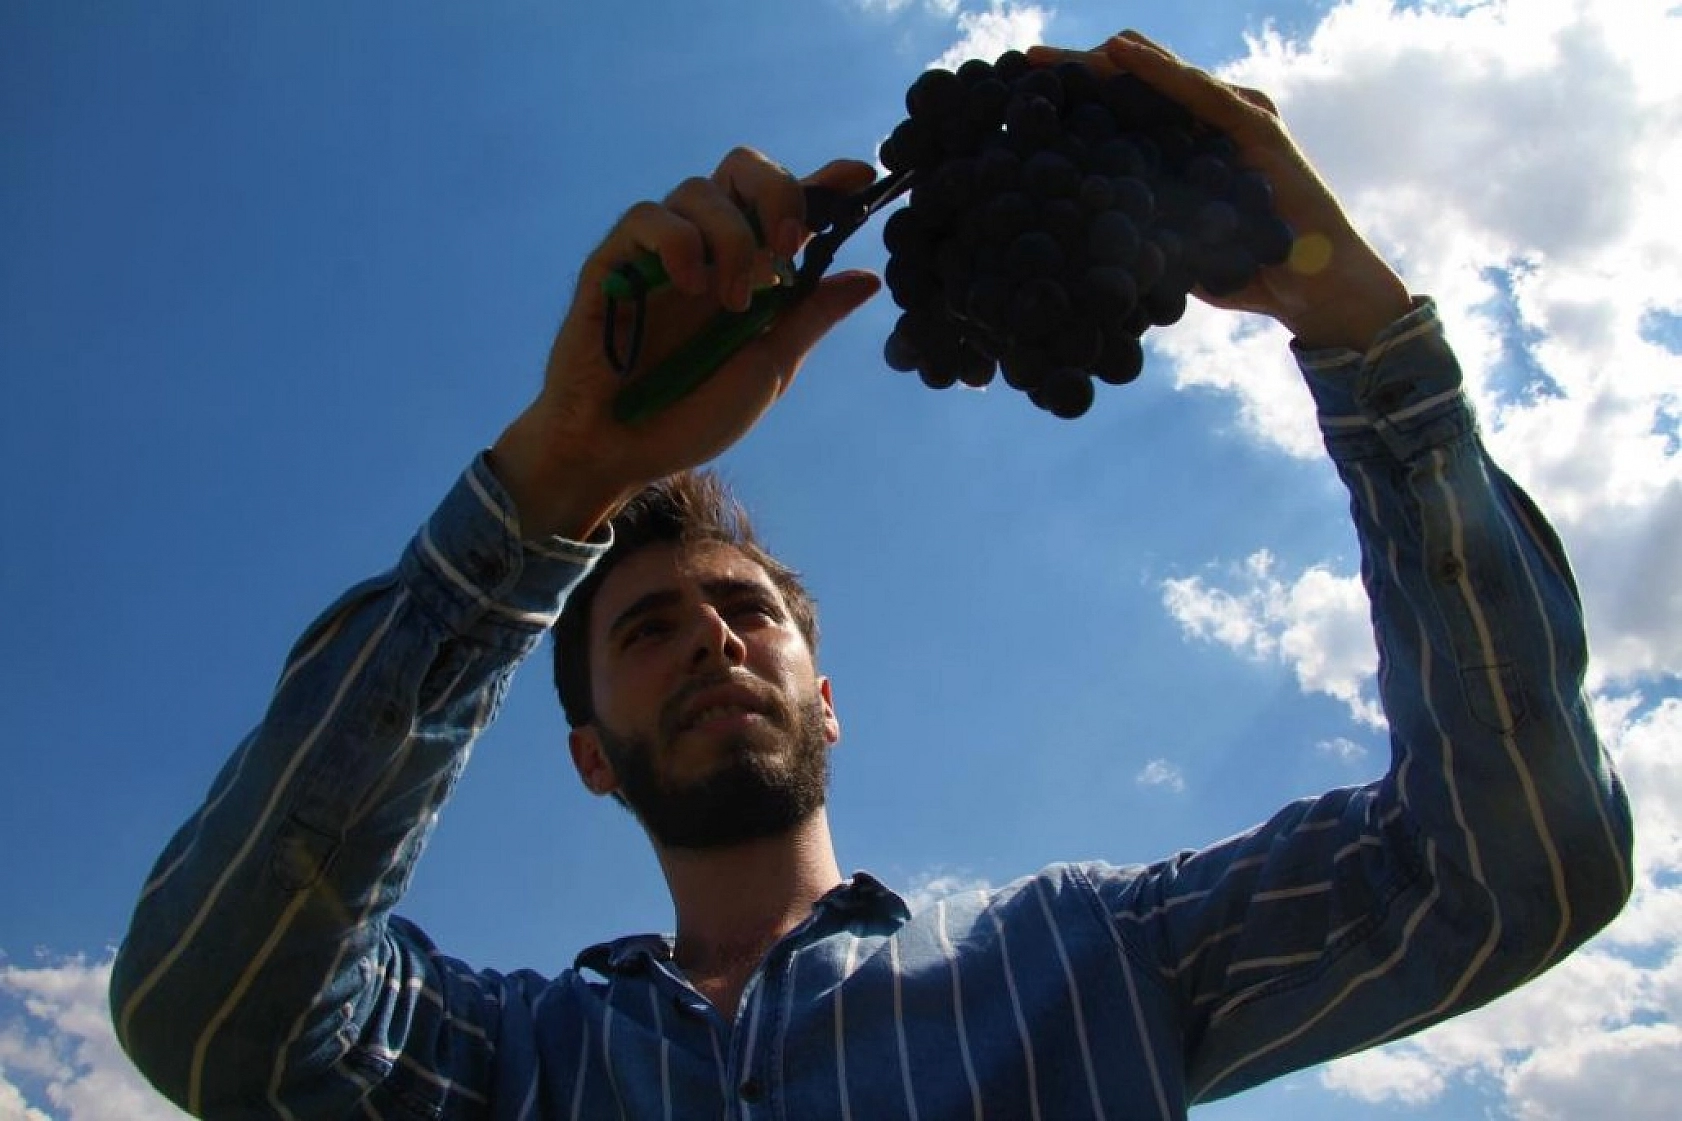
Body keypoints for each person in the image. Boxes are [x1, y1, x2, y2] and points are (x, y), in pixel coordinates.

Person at [110, 30, 1633, 1120]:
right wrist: (558, 478)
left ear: (825, 701)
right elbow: (214, 1014)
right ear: (585, 755)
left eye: (745, 609)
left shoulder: (1093, 959)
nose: (707, 633)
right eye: (643, 630)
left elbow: (1506, 874)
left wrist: (1357, 327)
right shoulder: (514, 1064)